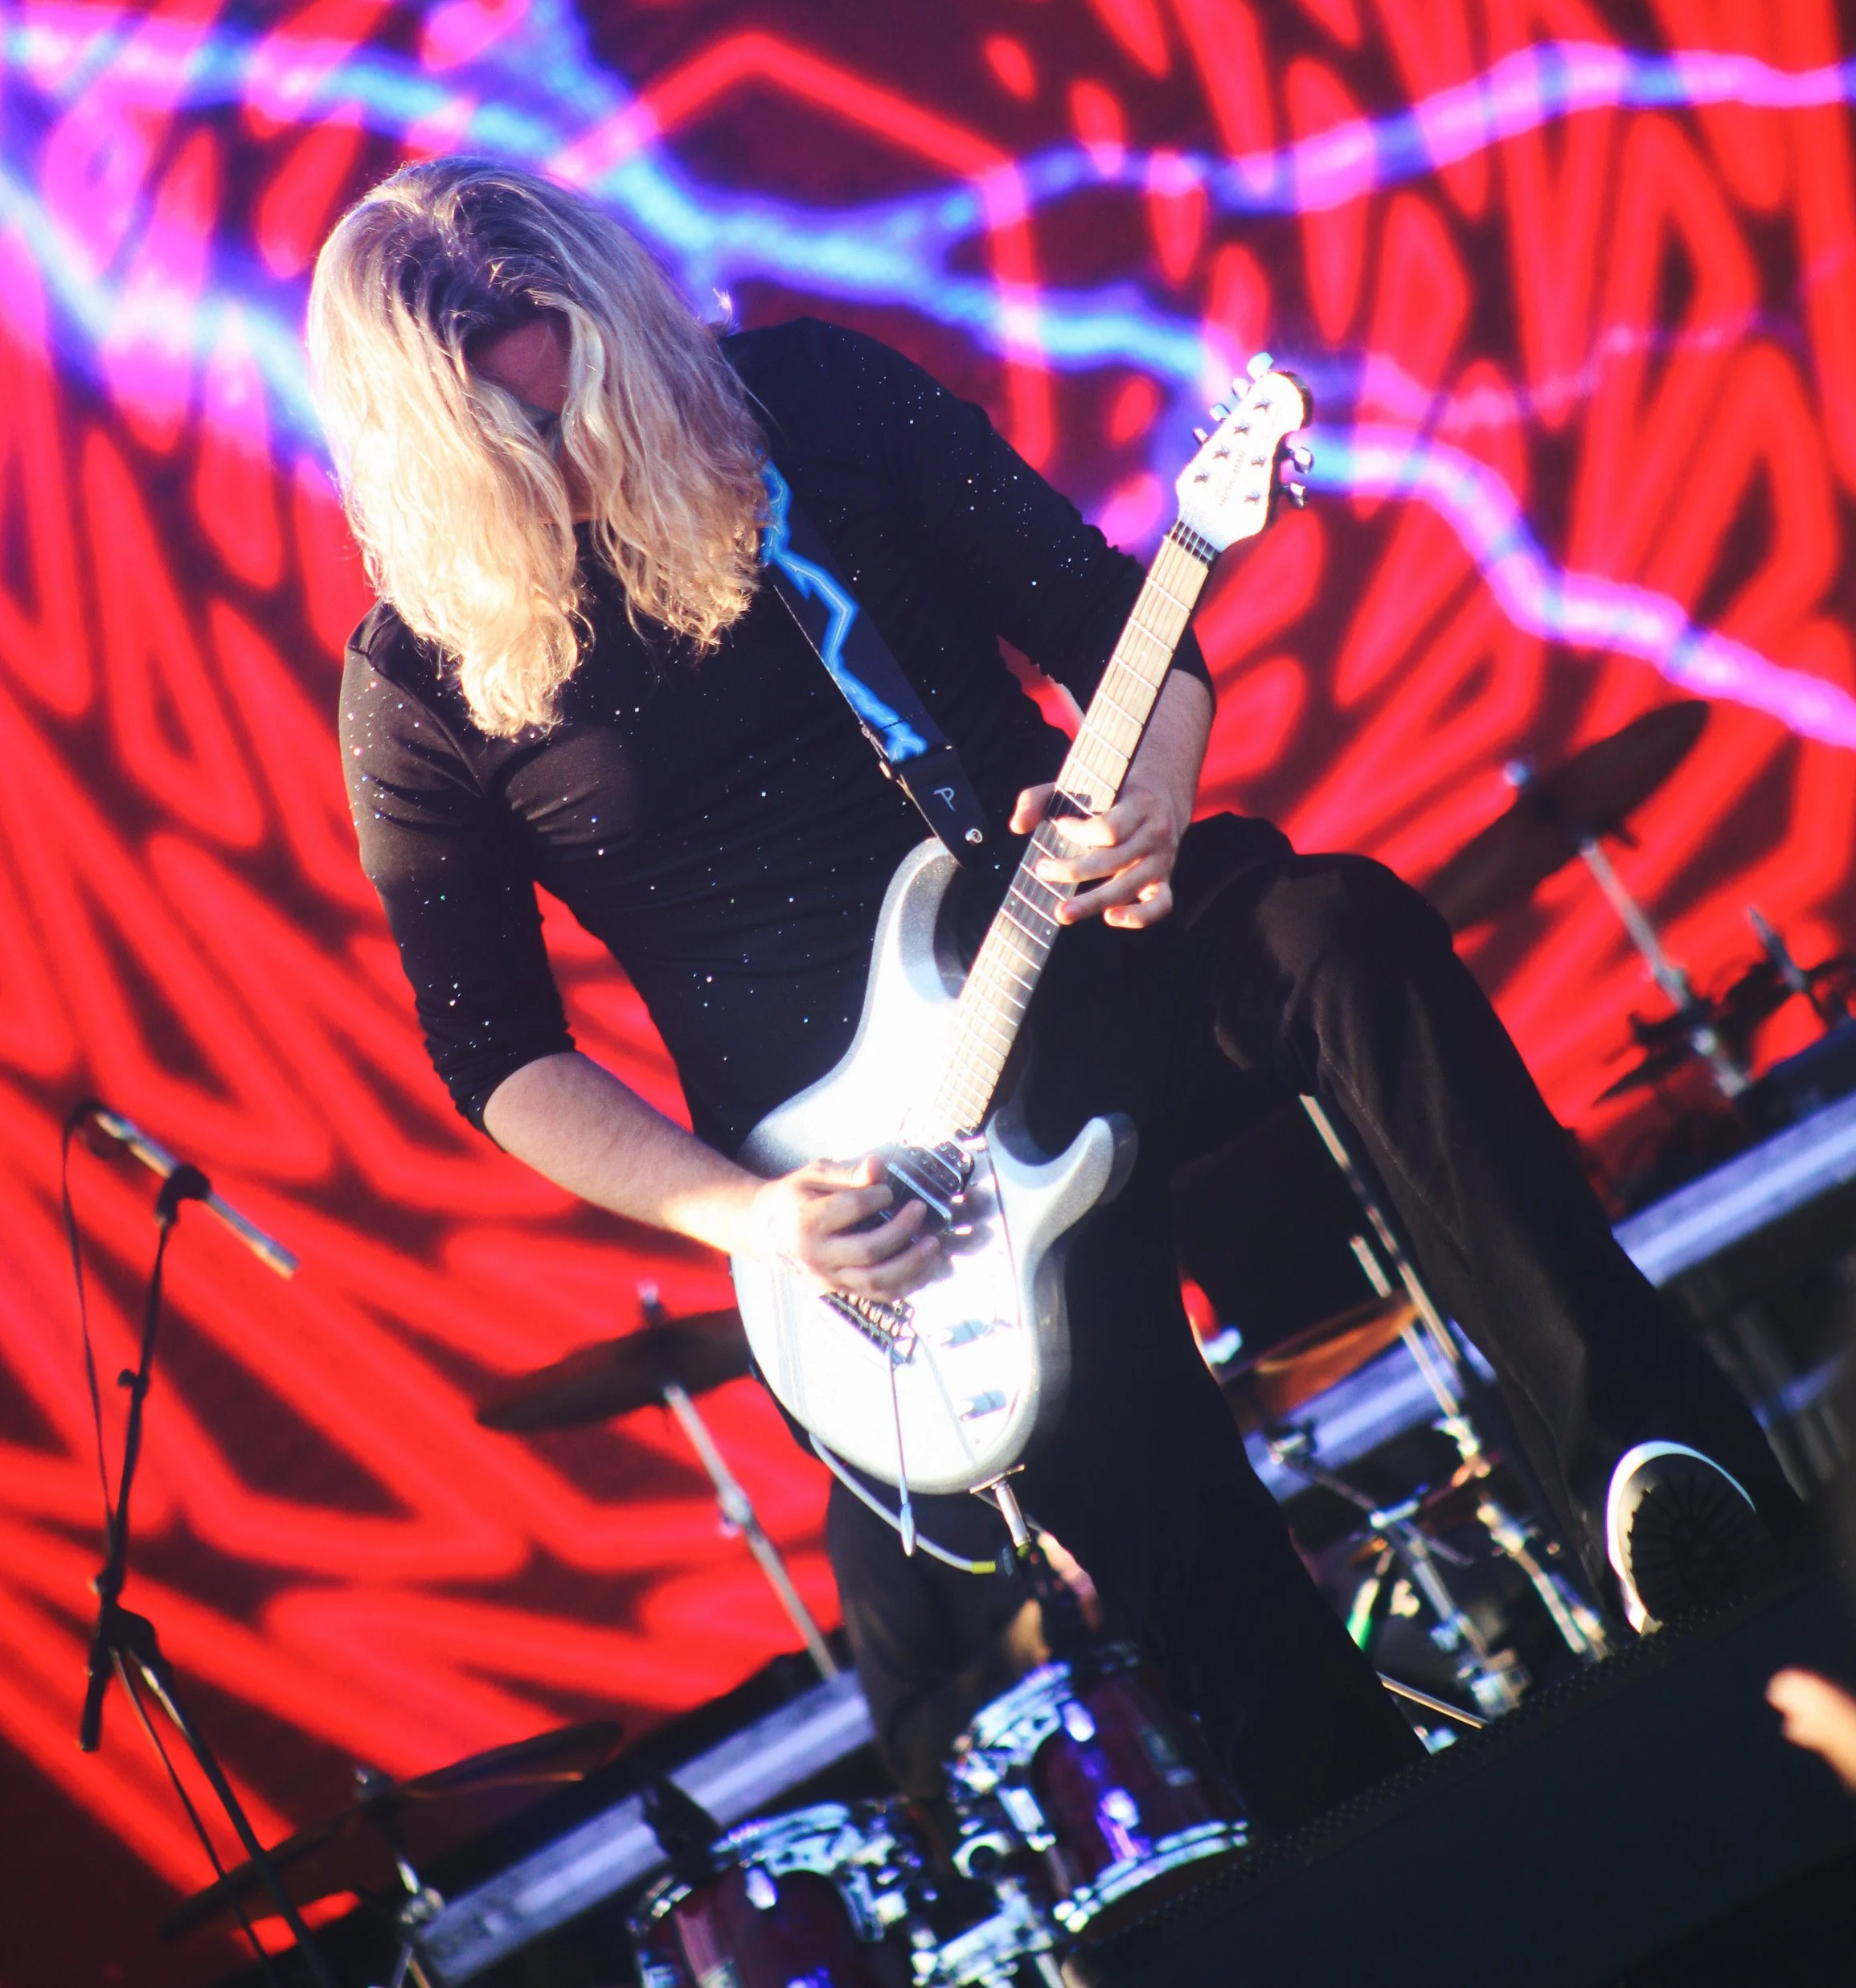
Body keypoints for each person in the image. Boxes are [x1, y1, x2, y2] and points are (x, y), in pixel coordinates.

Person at [312, 156, 1796, 1832]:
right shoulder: (411, 686)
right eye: (508, 429)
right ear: (427, 445)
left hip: (1082, 942)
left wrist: (1154, 780)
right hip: (892, 1187)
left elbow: (1110, 619)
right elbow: (497, 1054)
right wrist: (749, 1217)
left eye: (571, 377)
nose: (567, 441)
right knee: (1209, 1604)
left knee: (1336, 933)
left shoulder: (799, 399)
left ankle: (1649, 1479)